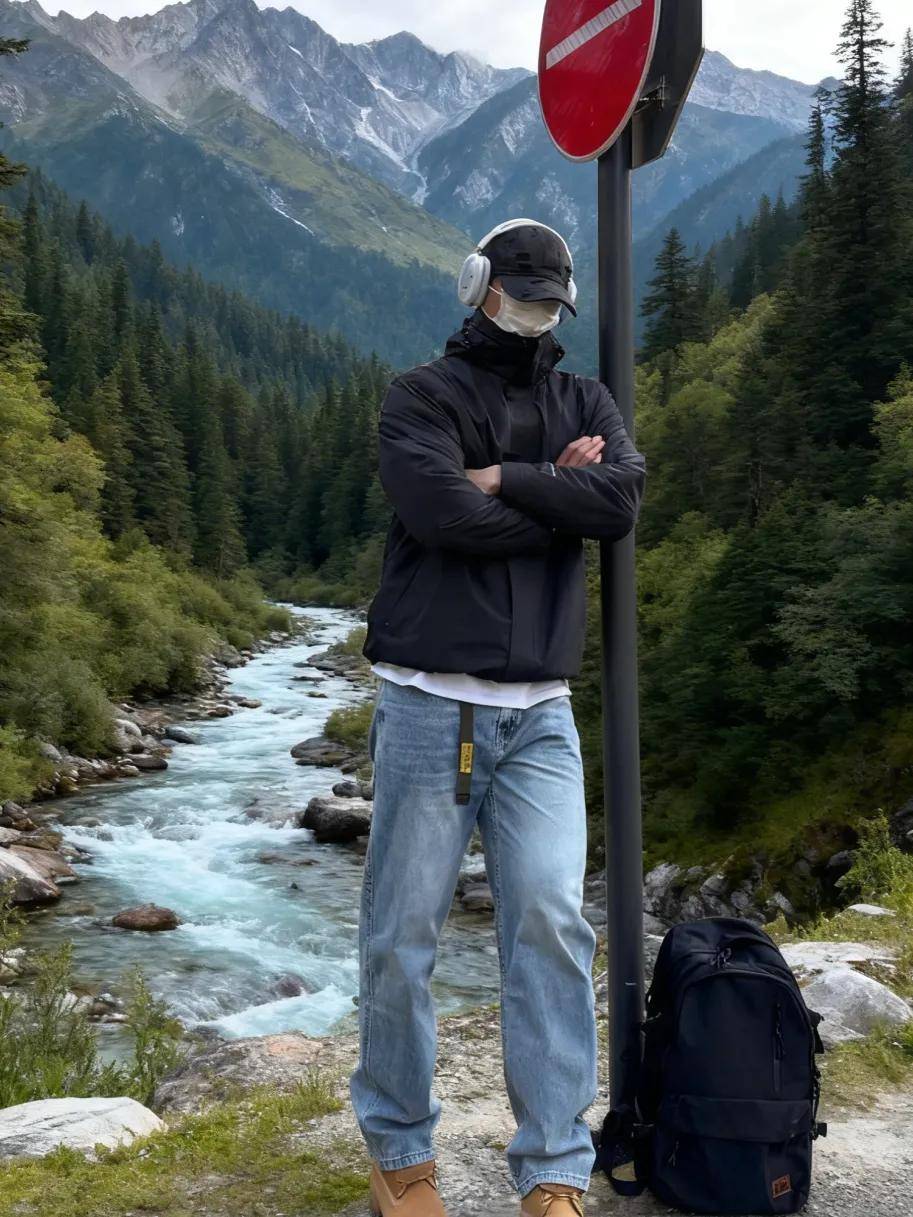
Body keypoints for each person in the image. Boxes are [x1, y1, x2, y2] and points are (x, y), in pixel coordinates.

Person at [349, 218, 646, 1217]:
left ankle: (553, 1171)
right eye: (519, 297)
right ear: (477, 287)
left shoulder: (585, 398)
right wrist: (561, 492)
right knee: (401, 937)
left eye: (548, 304)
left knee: (553, 925)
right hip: (430, 703)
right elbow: (442, 516)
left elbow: (620, 503)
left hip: (541, 717)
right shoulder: (420, 397)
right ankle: (400, 1155)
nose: (533, 316)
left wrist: (513, 478)